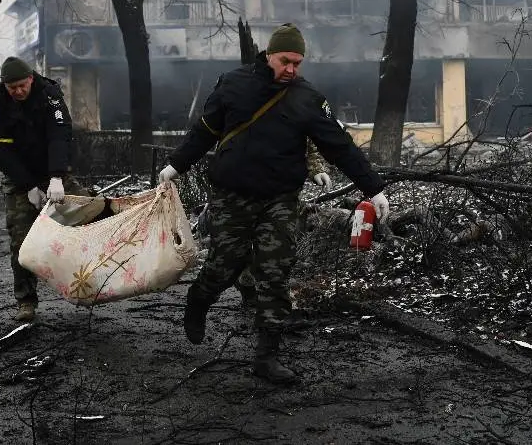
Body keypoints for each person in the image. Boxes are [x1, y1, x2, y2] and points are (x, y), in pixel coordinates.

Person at [159, 23, 389, 385]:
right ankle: (199, 298)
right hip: (232, 195)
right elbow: (204, 130)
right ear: (269, 54)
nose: (292, 69)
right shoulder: (232, 84)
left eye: (298, 62)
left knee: (275, 271)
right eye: (286, 61)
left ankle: (267, 355)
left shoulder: (307, 98)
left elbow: (338, 144)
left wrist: (373, 188)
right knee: (225, 264)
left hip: (280, 199)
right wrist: (175, 165)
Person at [0, 56, 84, 322]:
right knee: (21, 241)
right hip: (19, 177)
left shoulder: (49, 94)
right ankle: (26, 302)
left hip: (53, 169)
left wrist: (56, 177)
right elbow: (0, 148)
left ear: (31, 78)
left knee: (88, 216)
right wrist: (28, 185)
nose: (17, 91)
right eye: (12, 87)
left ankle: (94, 282)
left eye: (21, 85)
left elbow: (60, 135)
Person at [232, 141, 330, 308]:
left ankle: (276, 308)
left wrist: (316, 169)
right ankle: (246, 282)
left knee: (280, 247)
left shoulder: (299, 115)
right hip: (246, 185)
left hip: (284, 189)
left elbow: (308, 141)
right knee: (246, 243)